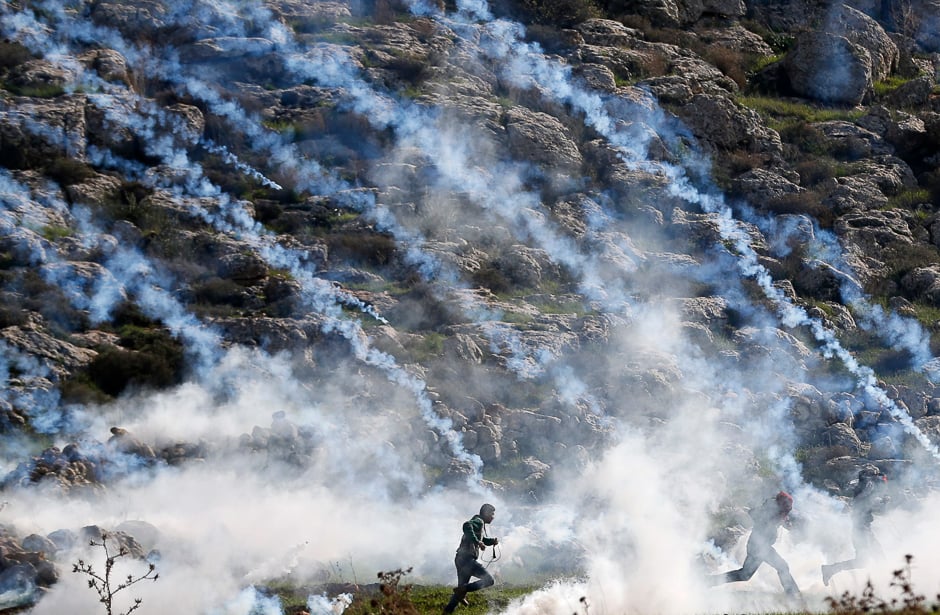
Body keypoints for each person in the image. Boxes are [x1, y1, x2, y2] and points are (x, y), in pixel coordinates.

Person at [707, 491, 801, 596]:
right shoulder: (770, 510)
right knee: (782, 567)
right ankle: (793, 594)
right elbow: (754, 513)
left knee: (744, 575)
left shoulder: (775, 511)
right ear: (781, 504)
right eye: (787, 506)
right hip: (760, 547)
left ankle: (711, 581)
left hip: (758, 547)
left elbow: (781, 521)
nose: (788, 509)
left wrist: (784, 523)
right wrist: (767, 519)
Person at [821, 469, 889, 586]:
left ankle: (887, 581)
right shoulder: (863, 492)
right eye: (871, 477)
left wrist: (883, 502)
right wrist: (881, 501)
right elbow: (862, 503)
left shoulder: (865, 491)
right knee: (862, 561)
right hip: (861, 530)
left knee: (879, 554)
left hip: (865, 529)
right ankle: (831, 569)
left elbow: (873, 506)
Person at [443, 503, 500, 613]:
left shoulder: (480, 523)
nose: (493, 517)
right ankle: (463, 590)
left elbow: (482, 539)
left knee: (459, 593)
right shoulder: (478, 521)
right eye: (492, 514)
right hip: (467, 560)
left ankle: (447, 611)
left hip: (460, 559)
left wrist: (491, 541)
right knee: (489, 580)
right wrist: (478, 542)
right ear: (486, 513)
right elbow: (466, 525)